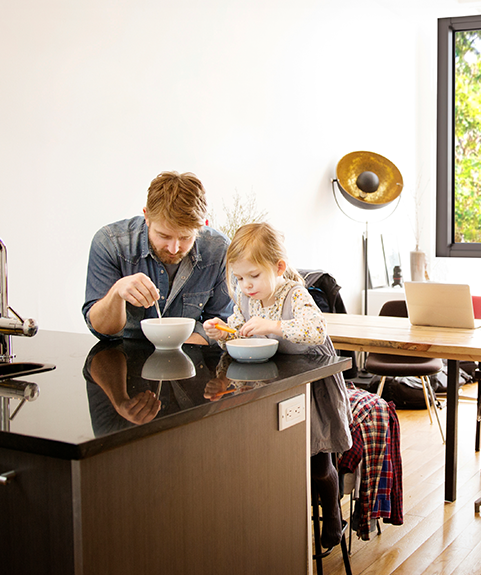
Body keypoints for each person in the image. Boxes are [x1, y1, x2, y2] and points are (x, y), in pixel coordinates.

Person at [203, 222, 352, 549]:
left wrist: (273, 325)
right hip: (274, 382)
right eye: (239, 278)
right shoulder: (247, 299)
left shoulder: (294, 294)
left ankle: (333, 514)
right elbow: (239, 331)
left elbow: (314, 331)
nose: (246, 286)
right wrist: (222, 334)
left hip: (313, 384)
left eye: (253, 276)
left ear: (279, 267)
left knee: (317, 459)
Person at [83, 171, 233, 343]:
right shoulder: (110, 243)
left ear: (203, 225)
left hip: (189, 357)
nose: (174, 248)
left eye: (185, 237)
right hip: (123, 359)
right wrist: (117, 292)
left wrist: (167, 346)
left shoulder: (219, 250)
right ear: (146, 216)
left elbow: (220, 324)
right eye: (164, 236)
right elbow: (103, 331)